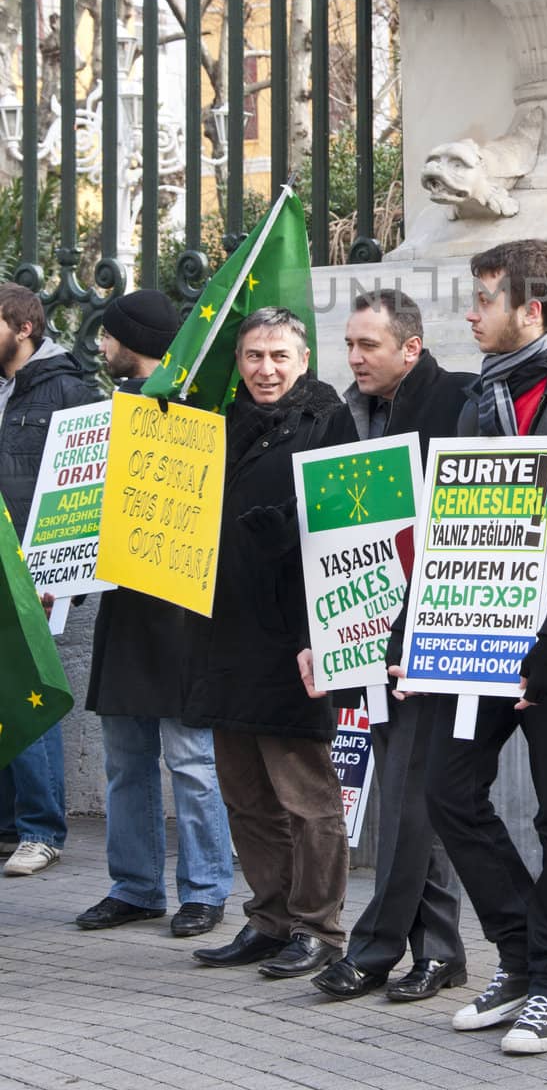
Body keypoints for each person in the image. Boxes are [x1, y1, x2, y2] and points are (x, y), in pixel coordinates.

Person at [418, 239, 547, 1055]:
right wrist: (426, 639)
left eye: (483, 300)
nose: (470, 315)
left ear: (529, 310)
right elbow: (452, 532)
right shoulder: (476, 402)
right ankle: (520, 955)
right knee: (450, 789)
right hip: (475, 643)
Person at [307, 290, 471, 1005]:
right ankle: (439, 951)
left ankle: (374, 948)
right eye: (348, 344)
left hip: (433, 639)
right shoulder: (351, 416)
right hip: (369, 636)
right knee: (411, 802)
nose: (353, 358)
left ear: (411, 346)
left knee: (408, 800)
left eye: (367, 345)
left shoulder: (459, 403)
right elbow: (344, 535)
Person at [184, 308, 349, 979]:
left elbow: (345, 533)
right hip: (224, 636)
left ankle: (319, 928)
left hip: (294, 641)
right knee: (246, 796)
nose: (265, 369)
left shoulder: (331, 422)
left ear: (303, 359)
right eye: (253, 356)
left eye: (279, 356)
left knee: (306, 799)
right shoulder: (219, 426)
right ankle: (269, 919)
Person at [76, 290, 233, 938]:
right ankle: (135, 886)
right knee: (125, 757)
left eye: (108, 336)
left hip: (180, 607)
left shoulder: (191, 408)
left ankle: (206, 888)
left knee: (191, 758)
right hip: (125, 603)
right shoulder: (106, 413)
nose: (101, 346)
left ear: (129, 341)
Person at [0, 283, 98, 878]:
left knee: (30, 686)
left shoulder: (69, 391)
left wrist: (64, 572)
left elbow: (84, 491)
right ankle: (10, 825)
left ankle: (42, 831)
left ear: (23, 327)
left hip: (33, 576)